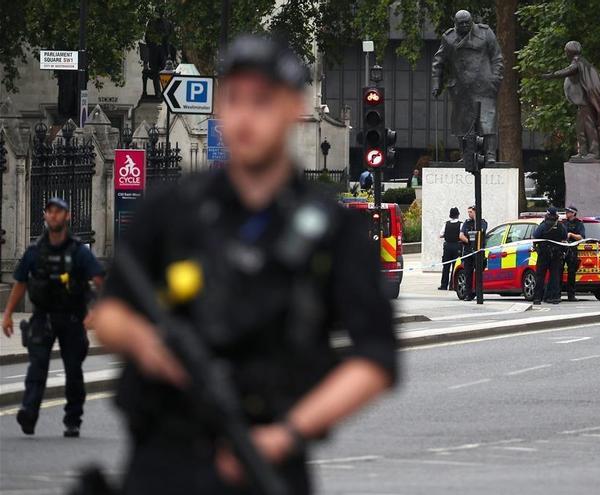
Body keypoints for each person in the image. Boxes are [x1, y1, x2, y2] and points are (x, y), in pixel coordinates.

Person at [89, 35, 397, 495]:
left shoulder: (331, 230)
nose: (246, 116)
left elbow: (377, 359)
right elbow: (108, 314)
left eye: (262, 101)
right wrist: (146, 342)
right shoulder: (170, 210)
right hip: (162, 459)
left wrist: (287, 433)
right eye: (234, 100)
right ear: (218, 110)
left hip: (266, 458)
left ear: (295, 106)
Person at [2, 197, 105, 438]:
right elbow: (20, 282)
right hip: (43, 317)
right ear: (45, 216)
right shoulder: (35, 252)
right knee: (36, 368)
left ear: (67, 216)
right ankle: (28, 413)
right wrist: (7, 314)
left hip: (72, 319)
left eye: (59, 212)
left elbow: (100, 280)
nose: (54, 215)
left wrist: (97, 312)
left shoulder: (79, 252)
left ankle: (73, 420)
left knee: (73, 371)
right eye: (50, 211)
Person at [431, 9, 503, 163]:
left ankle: (490, 154)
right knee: (462, 122)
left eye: (467, 22)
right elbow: (438, 62)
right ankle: (466, 155)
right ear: (455, 24)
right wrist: (436, 84)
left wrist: (495, 79)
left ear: (472, 21)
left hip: (484, 85)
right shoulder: (449, 38)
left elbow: (497, 57)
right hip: (461, 88)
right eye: (460, 23)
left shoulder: (485, 33)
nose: (464, 25)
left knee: (487, 120)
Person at [541, 40, 600, 161]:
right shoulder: (580, 62)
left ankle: (594, 152)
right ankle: (583, 151)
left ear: (569, 51)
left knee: (588, 126)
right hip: (583, 104)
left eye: (566, 51)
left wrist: (551, 75)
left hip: (586, 103)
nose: (565, 53)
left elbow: (568, 71)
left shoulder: (578, 62)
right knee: (580, 128)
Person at [532, 207, 567, 305]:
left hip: (544, 254)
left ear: (547, 214)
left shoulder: (543, 226)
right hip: (556, 255)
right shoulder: (561, 226)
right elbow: (565, 238)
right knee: (555, 277)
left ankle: (537, 298)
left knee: (540, 277)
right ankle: (554, 297)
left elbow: (535, 236)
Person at [458, 206, 488, 301]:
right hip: (468, 251)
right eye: (468, 212)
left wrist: (476, 218)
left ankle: (478, 292)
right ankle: (468, 294)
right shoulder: (467, 223)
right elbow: (461, 235)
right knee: (468, 273)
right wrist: (469, 242)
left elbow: (481, 232)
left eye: (471, 212)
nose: (469, 214)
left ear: (475, 212)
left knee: (478, 272)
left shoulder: (482, 222)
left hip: (478, 251)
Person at [561, 206, 586, 301]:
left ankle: (571, 295)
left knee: (571, 273)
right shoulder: (563, 223)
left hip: (572, 250)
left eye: (568, 212)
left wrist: (571, 235)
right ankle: (557, 294)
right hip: (562, 249)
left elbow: (581, 237)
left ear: (573, 213)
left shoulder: (579, 224)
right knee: (559, 272)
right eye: (566, 212)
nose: (566, 213)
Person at [439, 207, 462, 290]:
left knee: (446, 266)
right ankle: (452, 285)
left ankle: (443, 285)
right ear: (458, 215)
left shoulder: (446, 224)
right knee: (455, 266)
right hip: (457, 246)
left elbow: (441, 234)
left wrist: (447, 235)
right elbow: (461, 235)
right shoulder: (460, 224)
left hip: (447, 246)